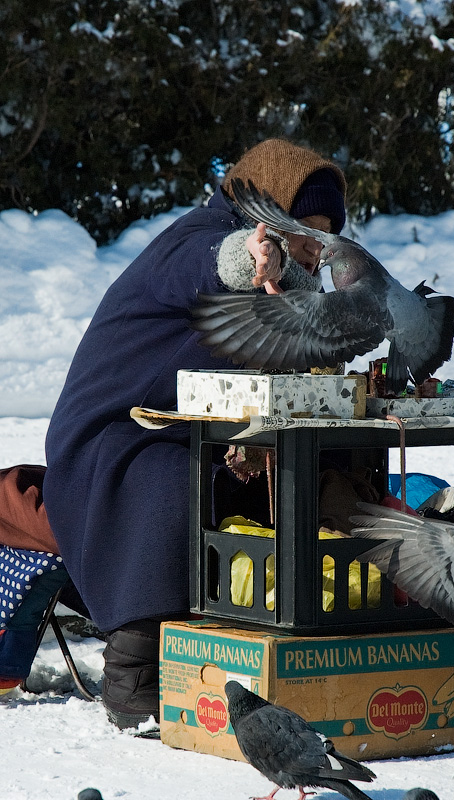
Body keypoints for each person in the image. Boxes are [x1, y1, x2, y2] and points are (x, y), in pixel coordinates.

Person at [43, 138, 347, 729]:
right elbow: (208, 264)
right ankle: (131, 669)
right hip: (113, 440)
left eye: (326, 232)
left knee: (317, 464)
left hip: (195, 432)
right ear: (269, 218)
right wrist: (246, 255)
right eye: (302, 226)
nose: (316, 246)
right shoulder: (194, 239)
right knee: (169, 488)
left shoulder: (299, 291)